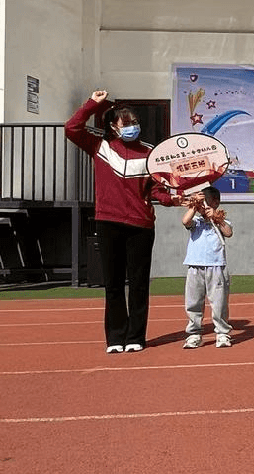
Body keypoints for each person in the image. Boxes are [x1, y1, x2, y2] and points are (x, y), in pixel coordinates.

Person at [65, 91, 179, 353]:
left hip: (141, 226)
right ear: (113, 127)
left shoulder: (151, 153)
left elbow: (156, 191)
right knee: (113, 283)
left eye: (134, 122)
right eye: (126, 123)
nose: (132, 127)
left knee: (138, 284)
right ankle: (116, 337)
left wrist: (174, 199)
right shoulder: (100, 146)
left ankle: (136, 336)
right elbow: (71, 128)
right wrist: (93, 103)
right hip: (108, 222)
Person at [180, 186, 234, 349]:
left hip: (216, 266)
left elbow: (229, 232)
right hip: (195, 266)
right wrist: (194, 207)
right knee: (193, 301)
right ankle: (194, 333)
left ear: (215, 202)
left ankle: (222, 333)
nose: (203, 207)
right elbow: (185, 221)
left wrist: (217, 219)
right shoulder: (196, 221)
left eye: (205, 202)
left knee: (219, 302)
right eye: (201, 202)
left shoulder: (221, 220)